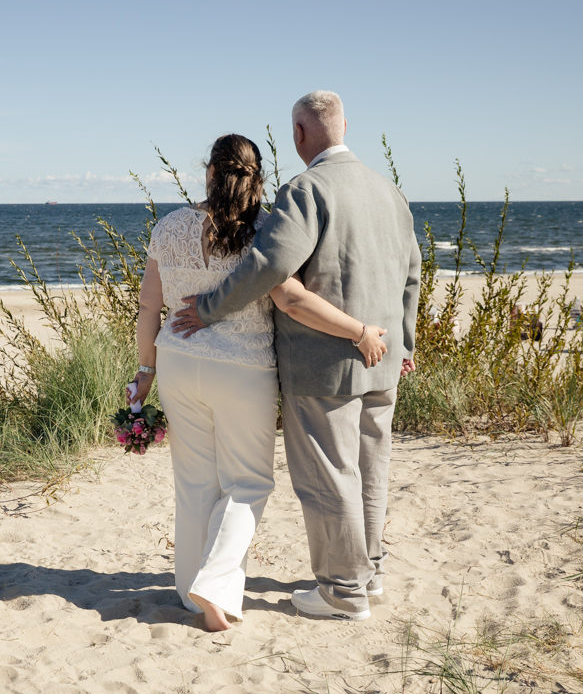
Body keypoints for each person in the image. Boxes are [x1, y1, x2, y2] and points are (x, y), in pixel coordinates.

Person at [173, 91, 420, 622]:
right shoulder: (389, 190)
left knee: (329, 477)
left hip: (322, 363)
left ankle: (343, 591)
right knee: (370, 472)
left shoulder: (307, 190)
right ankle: (370, 574)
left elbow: (270, 266)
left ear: (299, 134)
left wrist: (210, 308)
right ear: (346, 126)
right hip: (383, 357)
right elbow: (411, 274)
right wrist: (406, 341)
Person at [128, 133, 389, 633]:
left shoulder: (168, 226)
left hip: (177, 362)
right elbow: (291, 299)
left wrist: (145, 372)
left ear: (209, 172)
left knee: (194, 482)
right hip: (243, 369)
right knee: (248, 483)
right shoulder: (265, 230)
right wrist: (358, 331)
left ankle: (190, 593)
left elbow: (148, 305)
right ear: (257, 178)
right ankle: (215, 585)